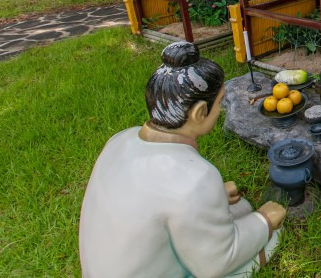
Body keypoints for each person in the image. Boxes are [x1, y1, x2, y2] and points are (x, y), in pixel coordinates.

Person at [79, 42, 286, 277]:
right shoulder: (195, 179)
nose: (220, 111)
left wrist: (214, 195)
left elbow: (153, 195)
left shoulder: (120, 139)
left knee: (240, 207)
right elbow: (217, 263)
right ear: (200, 112)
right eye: (219, 103)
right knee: (270, 233)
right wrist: (264, 220)